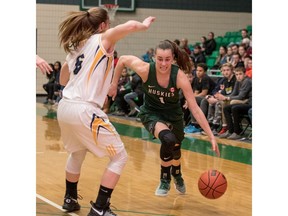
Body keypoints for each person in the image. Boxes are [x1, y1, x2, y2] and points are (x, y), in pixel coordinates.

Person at [57, 7, 155, 216]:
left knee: (77, 152)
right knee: (119, 157)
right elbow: (129, 26)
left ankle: (70, 198)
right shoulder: (102, 39)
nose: (109, 28)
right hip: (84, 109)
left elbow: (62, 81)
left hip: (65, 107)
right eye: (108, 24)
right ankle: (100, 207)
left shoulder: (76, 46)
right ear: (102, 26)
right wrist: (144, 25)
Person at [109, 40, 220, 197]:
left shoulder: (180, 77)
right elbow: (122, 60)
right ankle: (164, 179)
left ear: (173, 59)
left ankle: (177, 174)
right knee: (167, 139)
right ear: (154, 57)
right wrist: (114, 84)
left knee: (175, 150)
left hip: (173, 116)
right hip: (151, 113)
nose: (163, 63)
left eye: (167, 59)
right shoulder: (146, 69)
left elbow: (194, 108)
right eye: (160, 58)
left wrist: (211, 136)